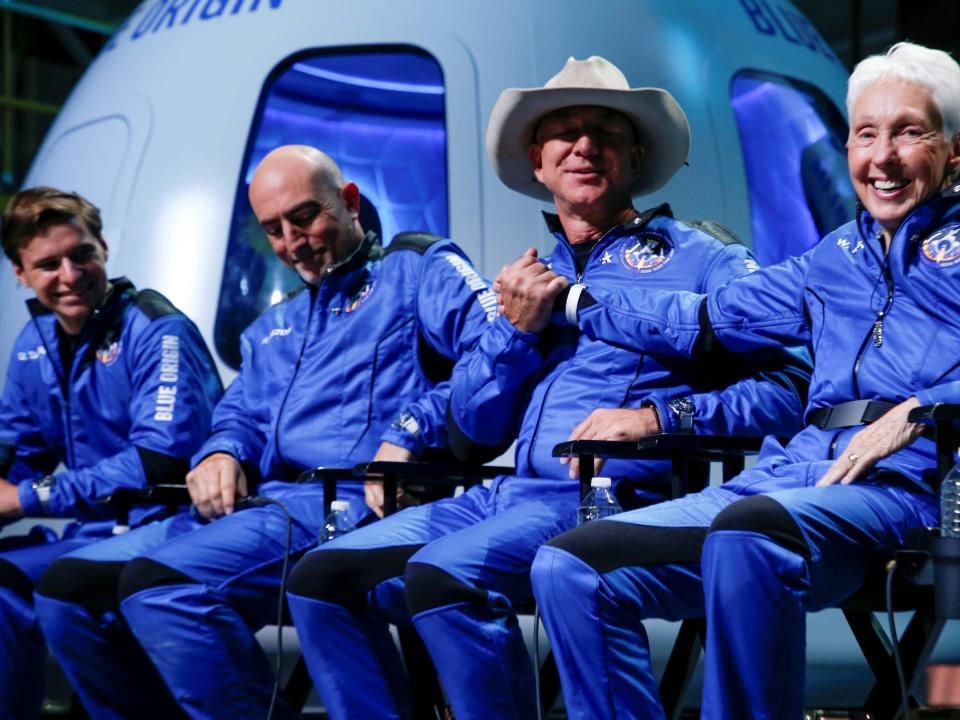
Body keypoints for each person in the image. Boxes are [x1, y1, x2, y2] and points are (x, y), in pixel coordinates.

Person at [284, 56, 810, 720]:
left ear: (635, 155)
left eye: (604, 131)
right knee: (321, 578)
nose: (583, 145)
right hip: (502, 494)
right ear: (538, 162)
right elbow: (475, 430)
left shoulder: (702, 257)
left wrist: (658, 417)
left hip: (607, 500)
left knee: (444, 576)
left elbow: (792, 384)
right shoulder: (527, 276)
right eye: (564, 132)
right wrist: (514, 333)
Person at [530, 41, 960, 720]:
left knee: (747, 530)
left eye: (910, 132)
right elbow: (705, 319)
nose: (883, 157)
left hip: (906, 493)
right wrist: (578, 301)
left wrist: (925, 406)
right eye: (866, 134)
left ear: (954, 151)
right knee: (568, 566)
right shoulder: (834, 256)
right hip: (788, 479)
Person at [32, 146, 496, 719]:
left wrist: (409, 426)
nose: (292, 243)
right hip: (256, 508)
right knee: (68, 592)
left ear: (349, 201)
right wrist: (222, 450)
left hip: (346, 504)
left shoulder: (416, 269)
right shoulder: (272, 327)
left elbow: (497, 356)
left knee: (162, 588)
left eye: (305, 218)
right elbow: (238, 414)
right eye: (274, 230)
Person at [0, 187, 222, 719]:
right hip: (90, 535)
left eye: (82, 254)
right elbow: (13, 450)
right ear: (19, 273)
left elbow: (157, 462)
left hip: (175, 529)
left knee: (47, 586)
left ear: (103, 247)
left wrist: (26, 497)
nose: (70, 275)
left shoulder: (157, 328)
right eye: (48, 264)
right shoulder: (35, 344)